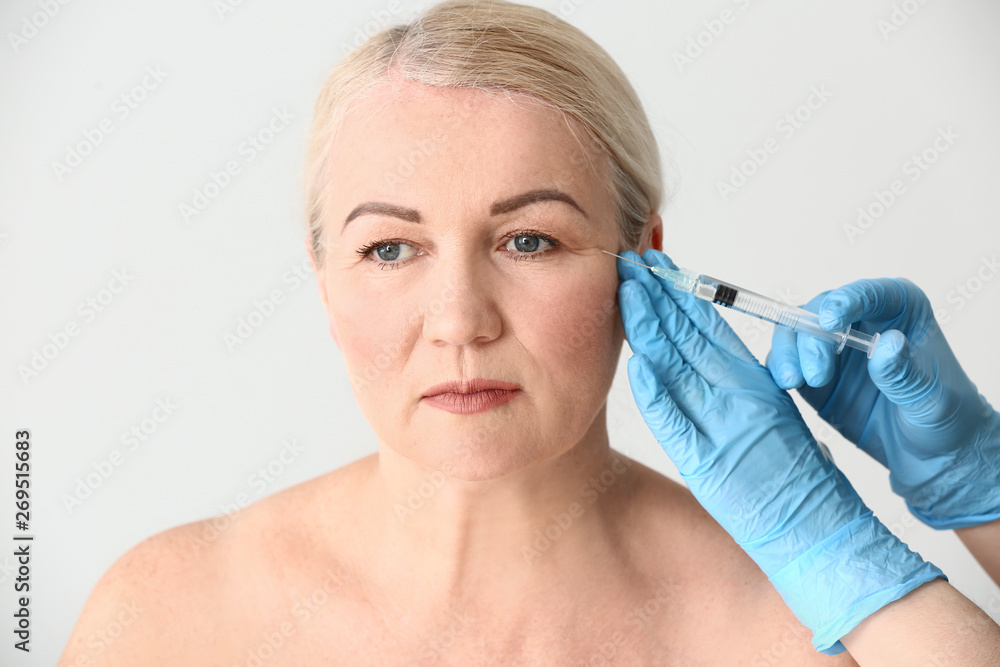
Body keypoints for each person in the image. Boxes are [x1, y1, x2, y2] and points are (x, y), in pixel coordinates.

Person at [59, 1, 1000, 664]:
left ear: (648, 265)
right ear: (322, 283)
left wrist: (966, 494)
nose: (461, 319)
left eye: (530, 239)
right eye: (390, 249)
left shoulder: (800, 629)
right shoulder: (168, 617)